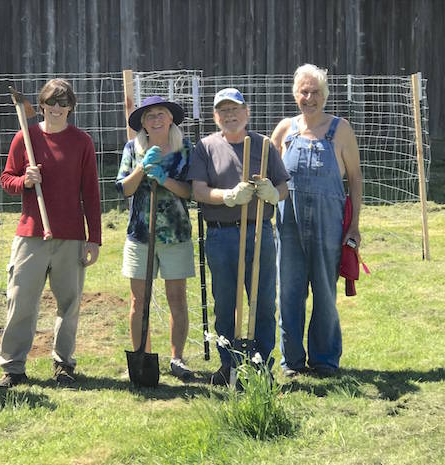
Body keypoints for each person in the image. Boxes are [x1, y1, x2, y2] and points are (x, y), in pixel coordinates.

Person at [0, 78, 101, 389]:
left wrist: (93, 237)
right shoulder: (24, 138)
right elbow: (6, 179)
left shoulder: (82, 142)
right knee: (21, 300)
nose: (56, 108)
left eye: (63, 103)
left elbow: (90, 194)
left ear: (71, 108)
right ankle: (13, 368)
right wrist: (24, 181)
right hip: (31, 234)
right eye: (51, 102)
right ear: (41, 104)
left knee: (69, 303)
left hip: (70, 236)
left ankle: (63, 364)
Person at [189, 88, 289, 386]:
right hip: (221, 237)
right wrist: (228, 196)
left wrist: (273, 193)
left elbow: (283, 187)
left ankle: (261, 365)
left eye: (235, 110)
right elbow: (198, 191)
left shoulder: (264, 145)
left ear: (246, 113)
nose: (230, 116)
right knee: (225, 303)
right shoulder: (205, 147)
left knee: (262, 301)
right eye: (223, 111)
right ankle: (228, 365)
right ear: (215, 116)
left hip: (259, 234)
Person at [271, 64, 363, 378]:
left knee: (325, 290)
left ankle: (324, 359)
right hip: (290, 224)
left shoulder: (341, 130)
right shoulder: (284, 130)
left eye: (316, 92)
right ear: (295, 94)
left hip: (329, 223)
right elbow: (267, 176)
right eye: (304, 92)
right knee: (290, 291)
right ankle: (292, 361)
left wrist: (354, 225)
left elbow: (355, 179)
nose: (309, 98)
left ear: (325, 95)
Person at [116, 96, 195, 381]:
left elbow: (190, 191)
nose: (156, 119)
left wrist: (163, 178)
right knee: (139, 301)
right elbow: (124, 189)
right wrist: (141, 168)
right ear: (143, 124)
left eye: (161, 114)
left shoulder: (185, 149)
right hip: (140, 235)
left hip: (176, 234)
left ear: (171, 119)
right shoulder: (132, 148)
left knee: (177, 298)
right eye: (150, 116)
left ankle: (177, 358)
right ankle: (141, 356)